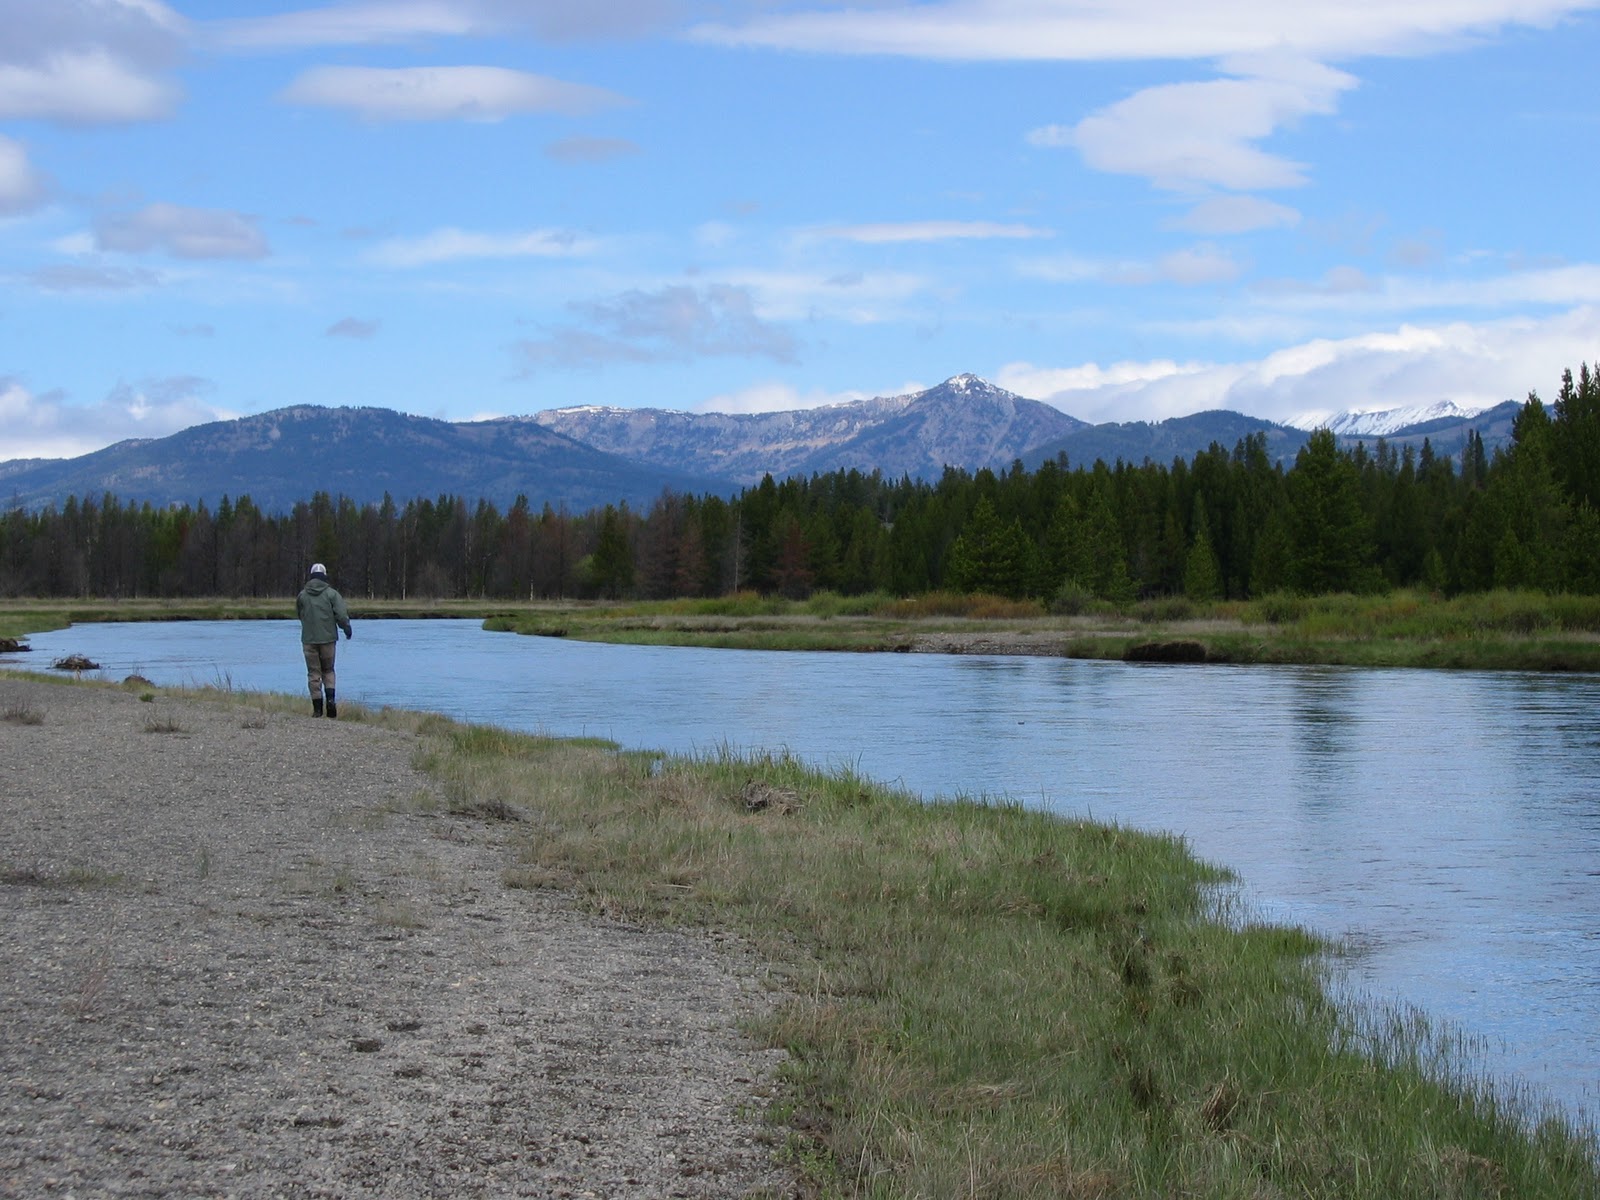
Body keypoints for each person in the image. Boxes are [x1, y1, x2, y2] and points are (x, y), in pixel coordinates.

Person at [296, 563, 352, 718]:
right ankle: (331, 702)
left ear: (311, 576)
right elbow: (341, 615)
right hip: (328, 639)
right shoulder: (332, 594)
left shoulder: (302, 595)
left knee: (313, 673)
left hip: (308, 640)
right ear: (324, 576)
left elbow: (300, 614)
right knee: (328, 670)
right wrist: (346, 628)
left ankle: (317, 709)